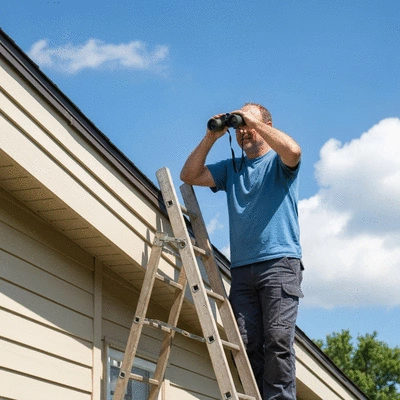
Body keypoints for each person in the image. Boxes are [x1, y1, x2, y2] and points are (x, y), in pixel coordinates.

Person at [180, 103, 304, 400]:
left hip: (280, 263)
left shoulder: (278, 163)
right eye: (239, 127)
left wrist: (254, 122)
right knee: (247, 344)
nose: (244, 131)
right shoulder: (232, 169)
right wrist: (212, 135)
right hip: (242, 270)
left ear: (266, 125)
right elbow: (189, 174)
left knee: (277, 339)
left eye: (249, 124)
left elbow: (295, 152)